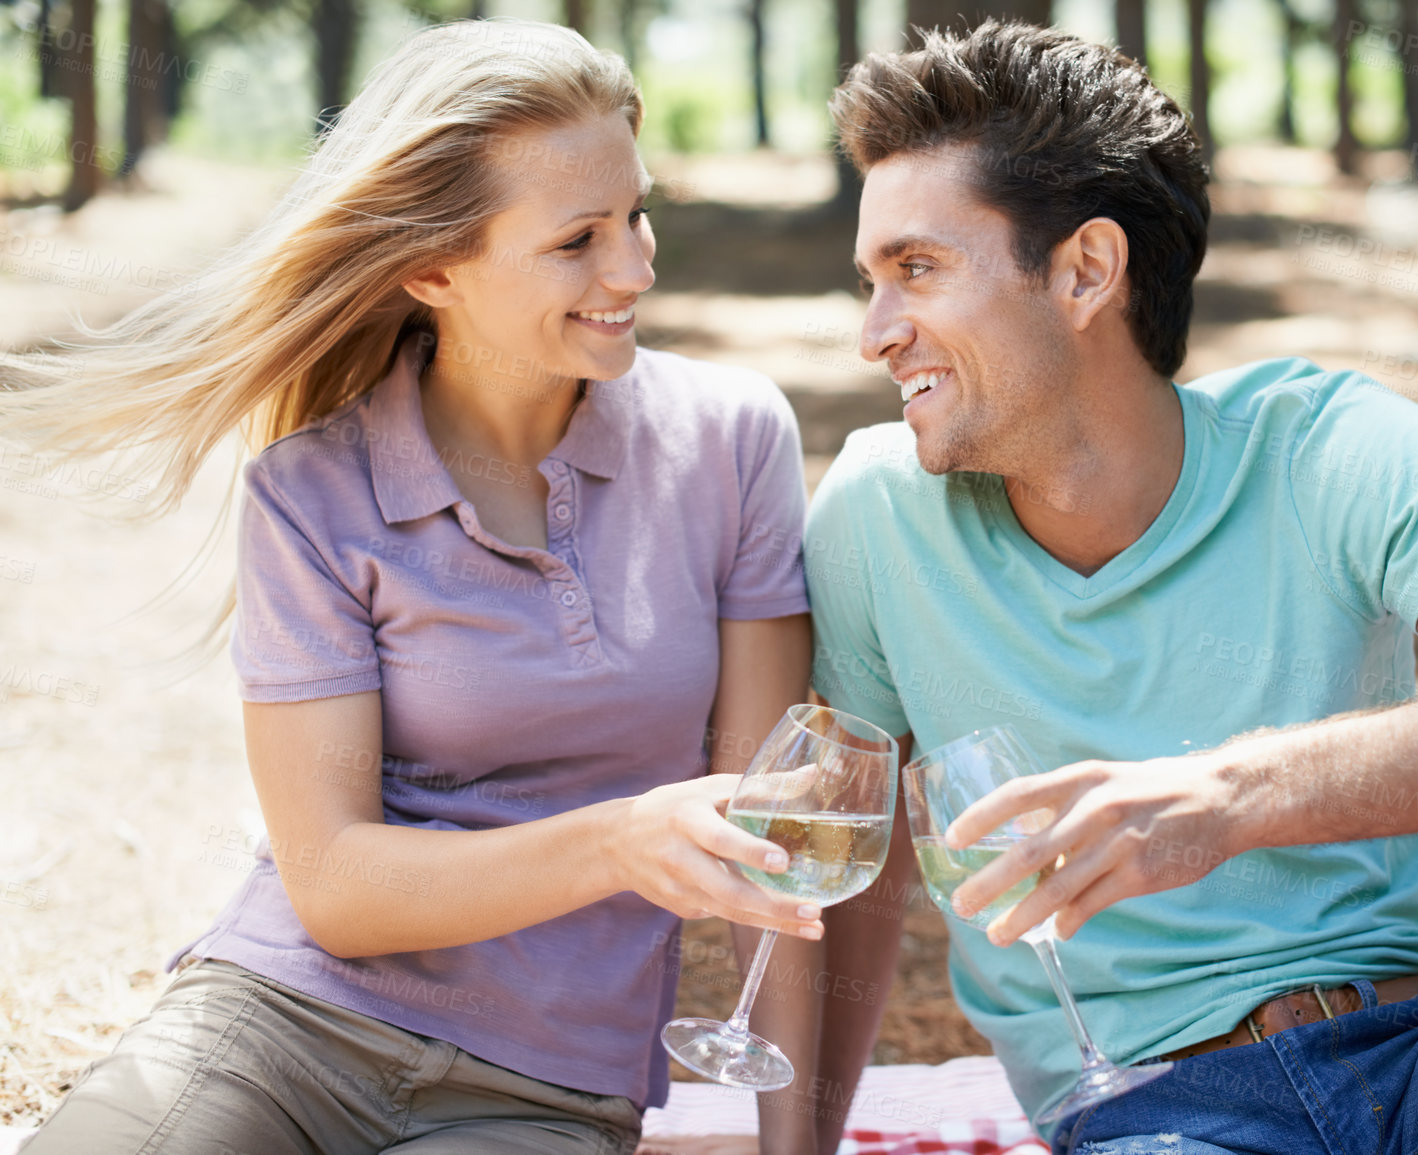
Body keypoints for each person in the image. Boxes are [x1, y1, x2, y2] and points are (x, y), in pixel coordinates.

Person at [804, 20, 1418, 1155]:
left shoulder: (1324, 444)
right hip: (1164, 1116)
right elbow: (850, 862)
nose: (875, 334)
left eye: (917, 270)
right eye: (871, 281)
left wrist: (1228, 799)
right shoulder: (873, 516)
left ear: (1086, 270)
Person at [3, 19, 834, 1154]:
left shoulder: (731, 443)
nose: (635, 267)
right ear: (433, 268)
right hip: (283, 1026)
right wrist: (617, 842)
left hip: (543, 1088)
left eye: (636, 214)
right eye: (577, 239)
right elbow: (336, 883)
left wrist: (795, 1146)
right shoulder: (311, 493)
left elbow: (770, 840)